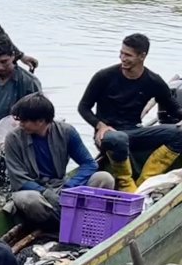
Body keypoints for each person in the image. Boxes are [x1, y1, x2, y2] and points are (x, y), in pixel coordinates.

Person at [77, 33, 182, 192]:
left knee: (179, 134)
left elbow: (174, 109)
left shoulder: (153, 81)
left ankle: (145, 181)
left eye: (128, 55)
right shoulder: (104, 76)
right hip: (109, 134)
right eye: (121, 53)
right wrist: (100, 125)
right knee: (119, 138)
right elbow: (83, 107)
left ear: (142, 56)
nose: (122, 58)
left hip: (134, 131)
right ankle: (126, 184)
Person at [3, 93, 114, 227]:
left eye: (24, 121)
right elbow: (19, 179)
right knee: (31, 200)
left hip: (60, 185)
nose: (20, 125)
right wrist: (45, 192)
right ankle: (66, 223)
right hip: (33, 191)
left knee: (104, 178)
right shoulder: (13, 138)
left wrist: (70, 186)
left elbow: (89, 164)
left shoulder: (66, 132)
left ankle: (72, 219)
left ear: (40, 121)